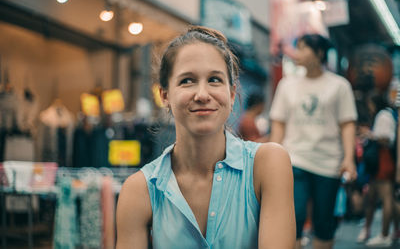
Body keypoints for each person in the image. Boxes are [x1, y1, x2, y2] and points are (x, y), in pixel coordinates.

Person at [116, 26, 296, 249]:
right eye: (187, 81)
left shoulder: (268, 164)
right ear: (165, 96)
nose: (202, 95)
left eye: (214, 80)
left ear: (231, 95)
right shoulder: (139, 190)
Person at [269, 34, 357, 249]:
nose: (297, 53)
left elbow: (347, 124)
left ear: (319, 53)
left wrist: (349, 158)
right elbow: (279, 123)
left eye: (303, 48)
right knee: (293, 218)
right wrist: (272, 155)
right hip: (294, 159)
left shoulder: (339, 86)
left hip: (328, 162)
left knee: (324, 221)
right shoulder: (287, 85)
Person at [357, 93, 397, 247]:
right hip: (380, 161)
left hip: (383, 160)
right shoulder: (386, 114)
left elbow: (386, 138)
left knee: (386, 197)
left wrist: (370, 135)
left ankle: (385, 233)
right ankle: (381, 232)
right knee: (374, 197)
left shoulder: (383, 116)